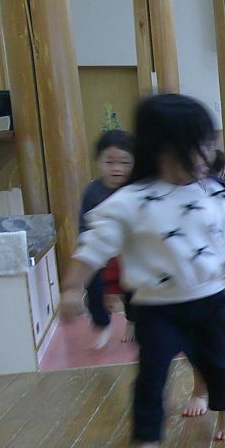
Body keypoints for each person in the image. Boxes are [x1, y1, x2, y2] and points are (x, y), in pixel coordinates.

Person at [60, 94, 225, 448]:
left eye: (208, 144)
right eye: (200, 145)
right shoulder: (131, 200)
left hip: (209, 299)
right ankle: (147, 439)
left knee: (218, 362)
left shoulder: (211, 192)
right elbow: (93, 245)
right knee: (150, 375)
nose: (208, 154)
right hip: (155, 308)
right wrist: (72, 288)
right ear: (164, 149)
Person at [78, 130, 135, 348]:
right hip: (101, 253)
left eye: (124, 162)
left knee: (134, 290)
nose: (117, 168)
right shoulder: (92, 191)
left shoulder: (136, 190)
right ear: (99, 161)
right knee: (93, 289)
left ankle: (132, 321)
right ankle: (102, 324)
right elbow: (85, 225)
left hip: (129, 253)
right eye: (109, 162)